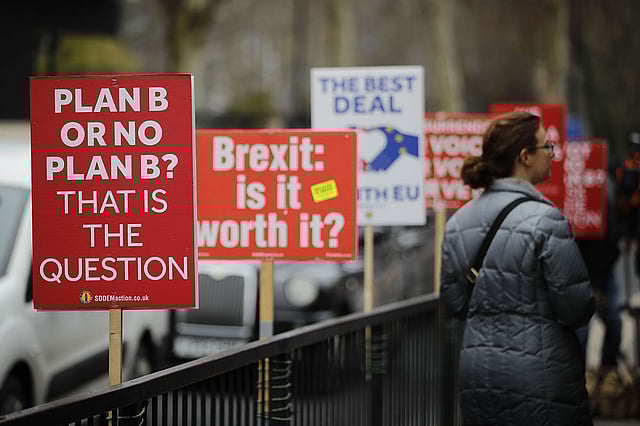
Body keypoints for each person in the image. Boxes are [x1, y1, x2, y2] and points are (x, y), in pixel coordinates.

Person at [440, 111, 596, 426]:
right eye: (546, 147)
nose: (552, 155)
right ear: (524, 157)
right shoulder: (547, 220)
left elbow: (455, 303)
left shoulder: (457, 222)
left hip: (479, 374)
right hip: (540, 375)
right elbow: (576, 309)